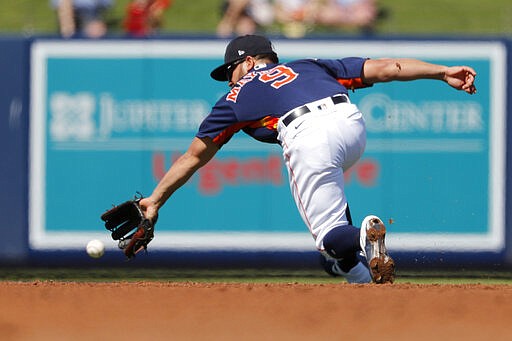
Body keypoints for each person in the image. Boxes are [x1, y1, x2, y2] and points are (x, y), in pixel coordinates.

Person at [139, 35, 477, 284]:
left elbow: (193, 156)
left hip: (307, 134)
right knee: (333, 239)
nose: (229, 79)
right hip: (351, 125)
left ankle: (364, 237)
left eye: (230, 69)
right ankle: (362, 278)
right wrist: (441, 72)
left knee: (330, 237)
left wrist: (155, 200)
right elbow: (390, 67)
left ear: (249, 62)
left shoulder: (235, 96)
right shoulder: (309, 65)